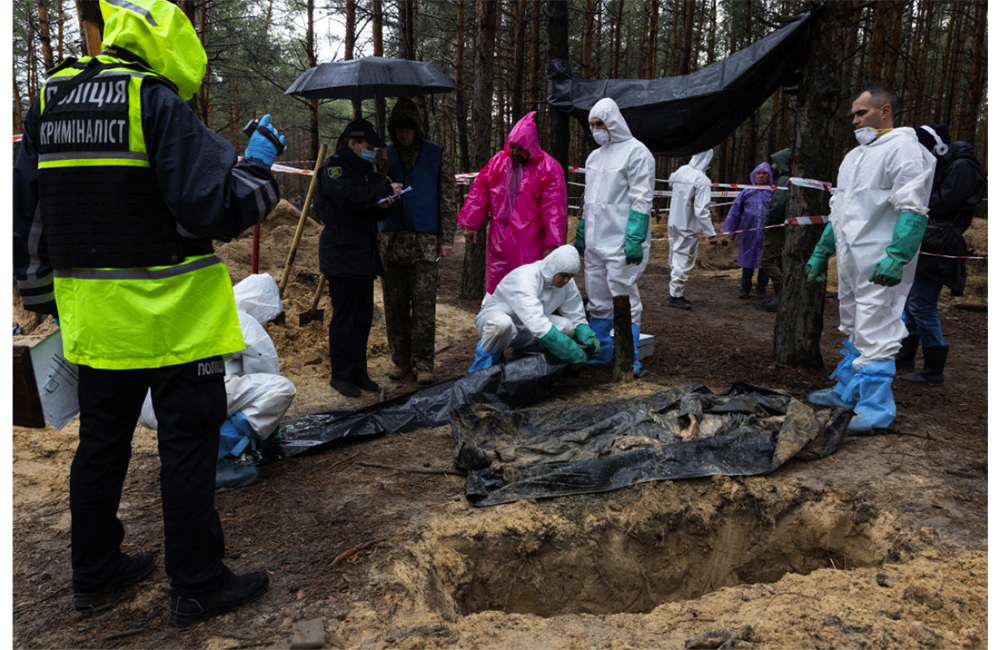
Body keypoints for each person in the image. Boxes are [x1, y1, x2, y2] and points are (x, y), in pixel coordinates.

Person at [12, 0, 281, 626]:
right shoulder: (153, 101)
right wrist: (259, 167)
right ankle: (197, 582)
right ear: (172, 46)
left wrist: (39, 294)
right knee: (188, 445)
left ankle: (94, 573)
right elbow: (210, 207)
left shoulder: (49, 99)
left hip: (96, 320)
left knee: (101, 444)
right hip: (174, 320)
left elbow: (28, 208)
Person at [805, 86, 935, 433]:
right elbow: (841, 208)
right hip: (852, 258)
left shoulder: (905, 149)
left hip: (880, 258)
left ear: (885, 110)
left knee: (878, 328)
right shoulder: (855, 156)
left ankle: (875, 409)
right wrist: (823, 251)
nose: (854, 120)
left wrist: (898, 256)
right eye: (853, 114)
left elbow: (913, 205)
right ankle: (847, 391)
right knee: (853, 325)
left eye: (861, 113)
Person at [896, 123, 986, 385]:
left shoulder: (962, 167)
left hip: (941, 241)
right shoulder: (949, 164)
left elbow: (942, 203)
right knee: (913, 301)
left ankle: (934, 367)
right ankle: (906, 356)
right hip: (930, 236)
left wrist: (910, 195)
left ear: (938, 147)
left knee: (921, 303)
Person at [318, 119, 402, 398]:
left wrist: (384, 206)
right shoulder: (334, 169)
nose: (370, 152)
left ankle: (359, 371)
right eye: (367, 147)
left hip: (364, 254)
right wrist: (382, 192)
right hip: (341, 255)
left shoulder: (364, 172)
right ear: (352, 143)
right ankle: (340, 375)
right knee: (345, 318)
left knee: (363, 318)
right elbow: (348, 197)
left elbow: (366, 207)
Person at [575, 97, 655, 376]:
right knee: (596, 299)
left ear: (613, 122)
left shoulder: (637, 152)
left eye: (600, 124)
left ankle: (629, 357)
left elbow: (641, 199)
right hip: (596, 242)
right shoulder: (594, 157)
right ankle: (603, 352)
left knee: (624, 297)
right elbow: (590, 199)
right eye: (592, 125)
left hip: (621, 241)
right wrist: (583, 229)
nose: (596, 129)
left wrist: (634, 236)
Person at [380, 99, 458, 386]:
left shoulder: (436, 154)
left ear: (417, 129)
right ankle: (401, 360)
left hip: (425, 241)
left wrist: (446, 237)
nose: (403, 134)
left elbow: (448, 198)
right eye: (398, 128)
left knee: (424, 307)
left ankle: (424, 362)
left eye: (408, 128)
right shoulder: (384, 155)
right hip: (391, 240)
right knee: (394, 305)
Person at [457, 112, 567, 294]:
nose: (514, 152)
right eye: (512, 146)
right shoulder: (498, 162)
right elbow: (479, 192)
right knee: (498, 289)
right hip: (499, 241)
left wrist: (552, 244)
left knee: (527, 289)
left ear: (530, 146)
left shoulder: (548, 167)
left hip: (531, 242)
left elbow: (554, 209)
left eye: (519, 148)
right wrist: (471, 224)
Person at [469, 245, 599, 370]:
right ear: (553, 267)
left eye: (570, 276)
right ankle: (483, 367)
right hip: (497, 321)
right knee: (501, 325)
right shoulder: (525, 277)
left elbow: (575, 312)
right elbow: (535, 320)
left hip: (527, 327)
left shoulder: (566, 284)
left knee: (566, 326)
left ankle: (525, 359)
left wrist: (586, 334)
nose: (566, 280)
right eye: (564, 275)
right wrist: (568, 349)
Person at [665, 150, 716, 310]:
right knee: (683, 260)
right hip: (687, 226)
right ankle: (676, 295)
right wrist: (710, 233)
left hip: (673, 222)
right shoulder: (702, 180)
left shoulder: (681, 171)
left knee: (675, 256)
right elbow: (701, 210)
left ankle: (674, 290)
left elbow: (670, 180)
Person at [721, 162, 774, 299]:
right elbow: (735, 212)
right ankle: (745, 287)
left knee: (765, 260)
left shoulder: (774, 192)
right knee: (747, 259)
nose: (761, 176)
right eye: (758, 173)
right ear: (754, 176)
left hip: (767, 233)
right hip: (747, 233)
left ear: (769, 176)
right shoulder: (746, 192)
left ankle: (761, 288)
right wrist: (732, 230)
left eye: (764, 173)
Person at [761, 148, 792, 311]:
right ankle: (779, 295)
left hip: (776, 227)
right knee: (777, 261)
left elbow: (777, 205)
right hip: (781, 226)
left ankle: (783, 294)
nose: (772, 166)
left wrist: (768, 223)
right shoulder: (787, 179)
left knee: (766, 261)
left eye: (774, 162)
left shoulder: (784, 180)